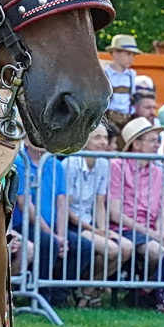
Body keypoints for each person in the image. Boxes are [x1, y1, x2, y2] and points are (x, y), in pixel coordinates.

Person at [59, 123, 126, 298]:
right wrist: (94, 230)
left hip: (90, 222)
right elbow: (66, 207)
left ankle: (88, 289)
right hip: (71, 223)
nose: (103, 142)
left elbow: (100, 202)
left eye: (105, 137)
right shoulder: (71, 163)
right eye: (97, 137)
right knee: (111, 250)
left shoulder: (104, 164)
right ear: (84, 139)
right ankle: (84, 290)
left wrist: (103, 229)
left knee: (126, 248)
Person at [108, 118, 164, 276]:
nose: (157, 146)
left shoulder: (158, 171)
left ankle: (150, 292)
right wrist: (150, 233)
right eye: (152, 141)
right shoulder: (117, 166)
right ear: (136, 144)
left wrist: (161, 231)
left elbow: (161, 208)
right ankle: (146, 290)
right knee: (157, 251)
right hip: (125, 228)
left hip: (152, 230)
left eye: (158, 141)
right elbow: (115, 214)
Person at [102, 34, 139, 119]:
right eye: (128, 54)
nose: (131, 58)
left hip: (128, 118)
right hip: (108, 119)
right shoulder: (105, 74)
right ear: (115, 53)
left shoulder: (131, 75)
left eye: (133, 55)